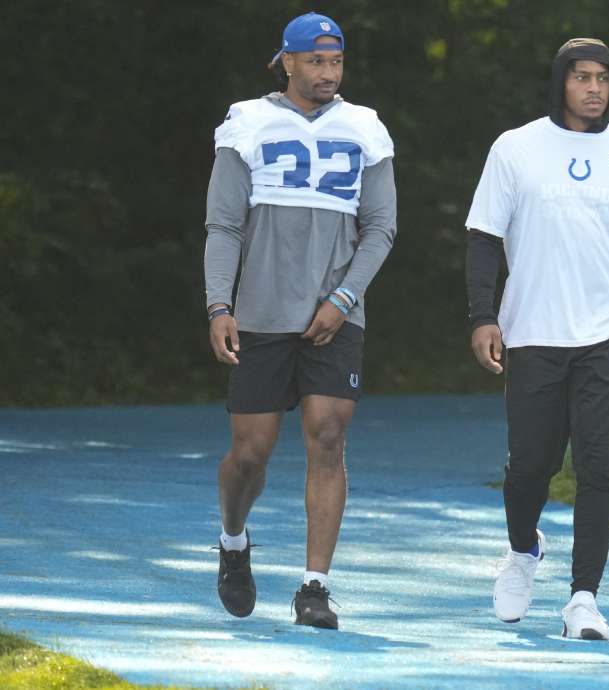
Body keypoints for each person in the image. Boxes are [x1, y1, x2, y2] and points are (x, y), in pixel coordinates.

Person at [463, 37, 609, 640]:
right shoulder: (516, 149)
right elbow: (482, 237)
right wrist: (482, 317)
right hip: (532, 331)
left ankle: (583, 598)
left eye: (603, 78)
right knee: (530, 466)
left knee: (600, 468)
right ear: (562, 82)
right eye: (582, 77)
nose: (594, 89)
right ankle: (524, 550)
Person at [203, 11, 397, 630]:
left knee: (329, 435)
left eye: (336, 61)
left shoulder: (365, 128)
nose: (327, 73)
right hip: (261, 312)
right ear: (286, 61)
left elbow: (382, 228)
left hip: (336, 316)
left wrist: (342, 300)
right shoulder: (247, 123)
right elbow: (225, 225)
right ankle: (234, 539)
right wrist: (219, 305)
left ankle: (314, 586)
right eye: (315, 62)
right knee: (249, 454)